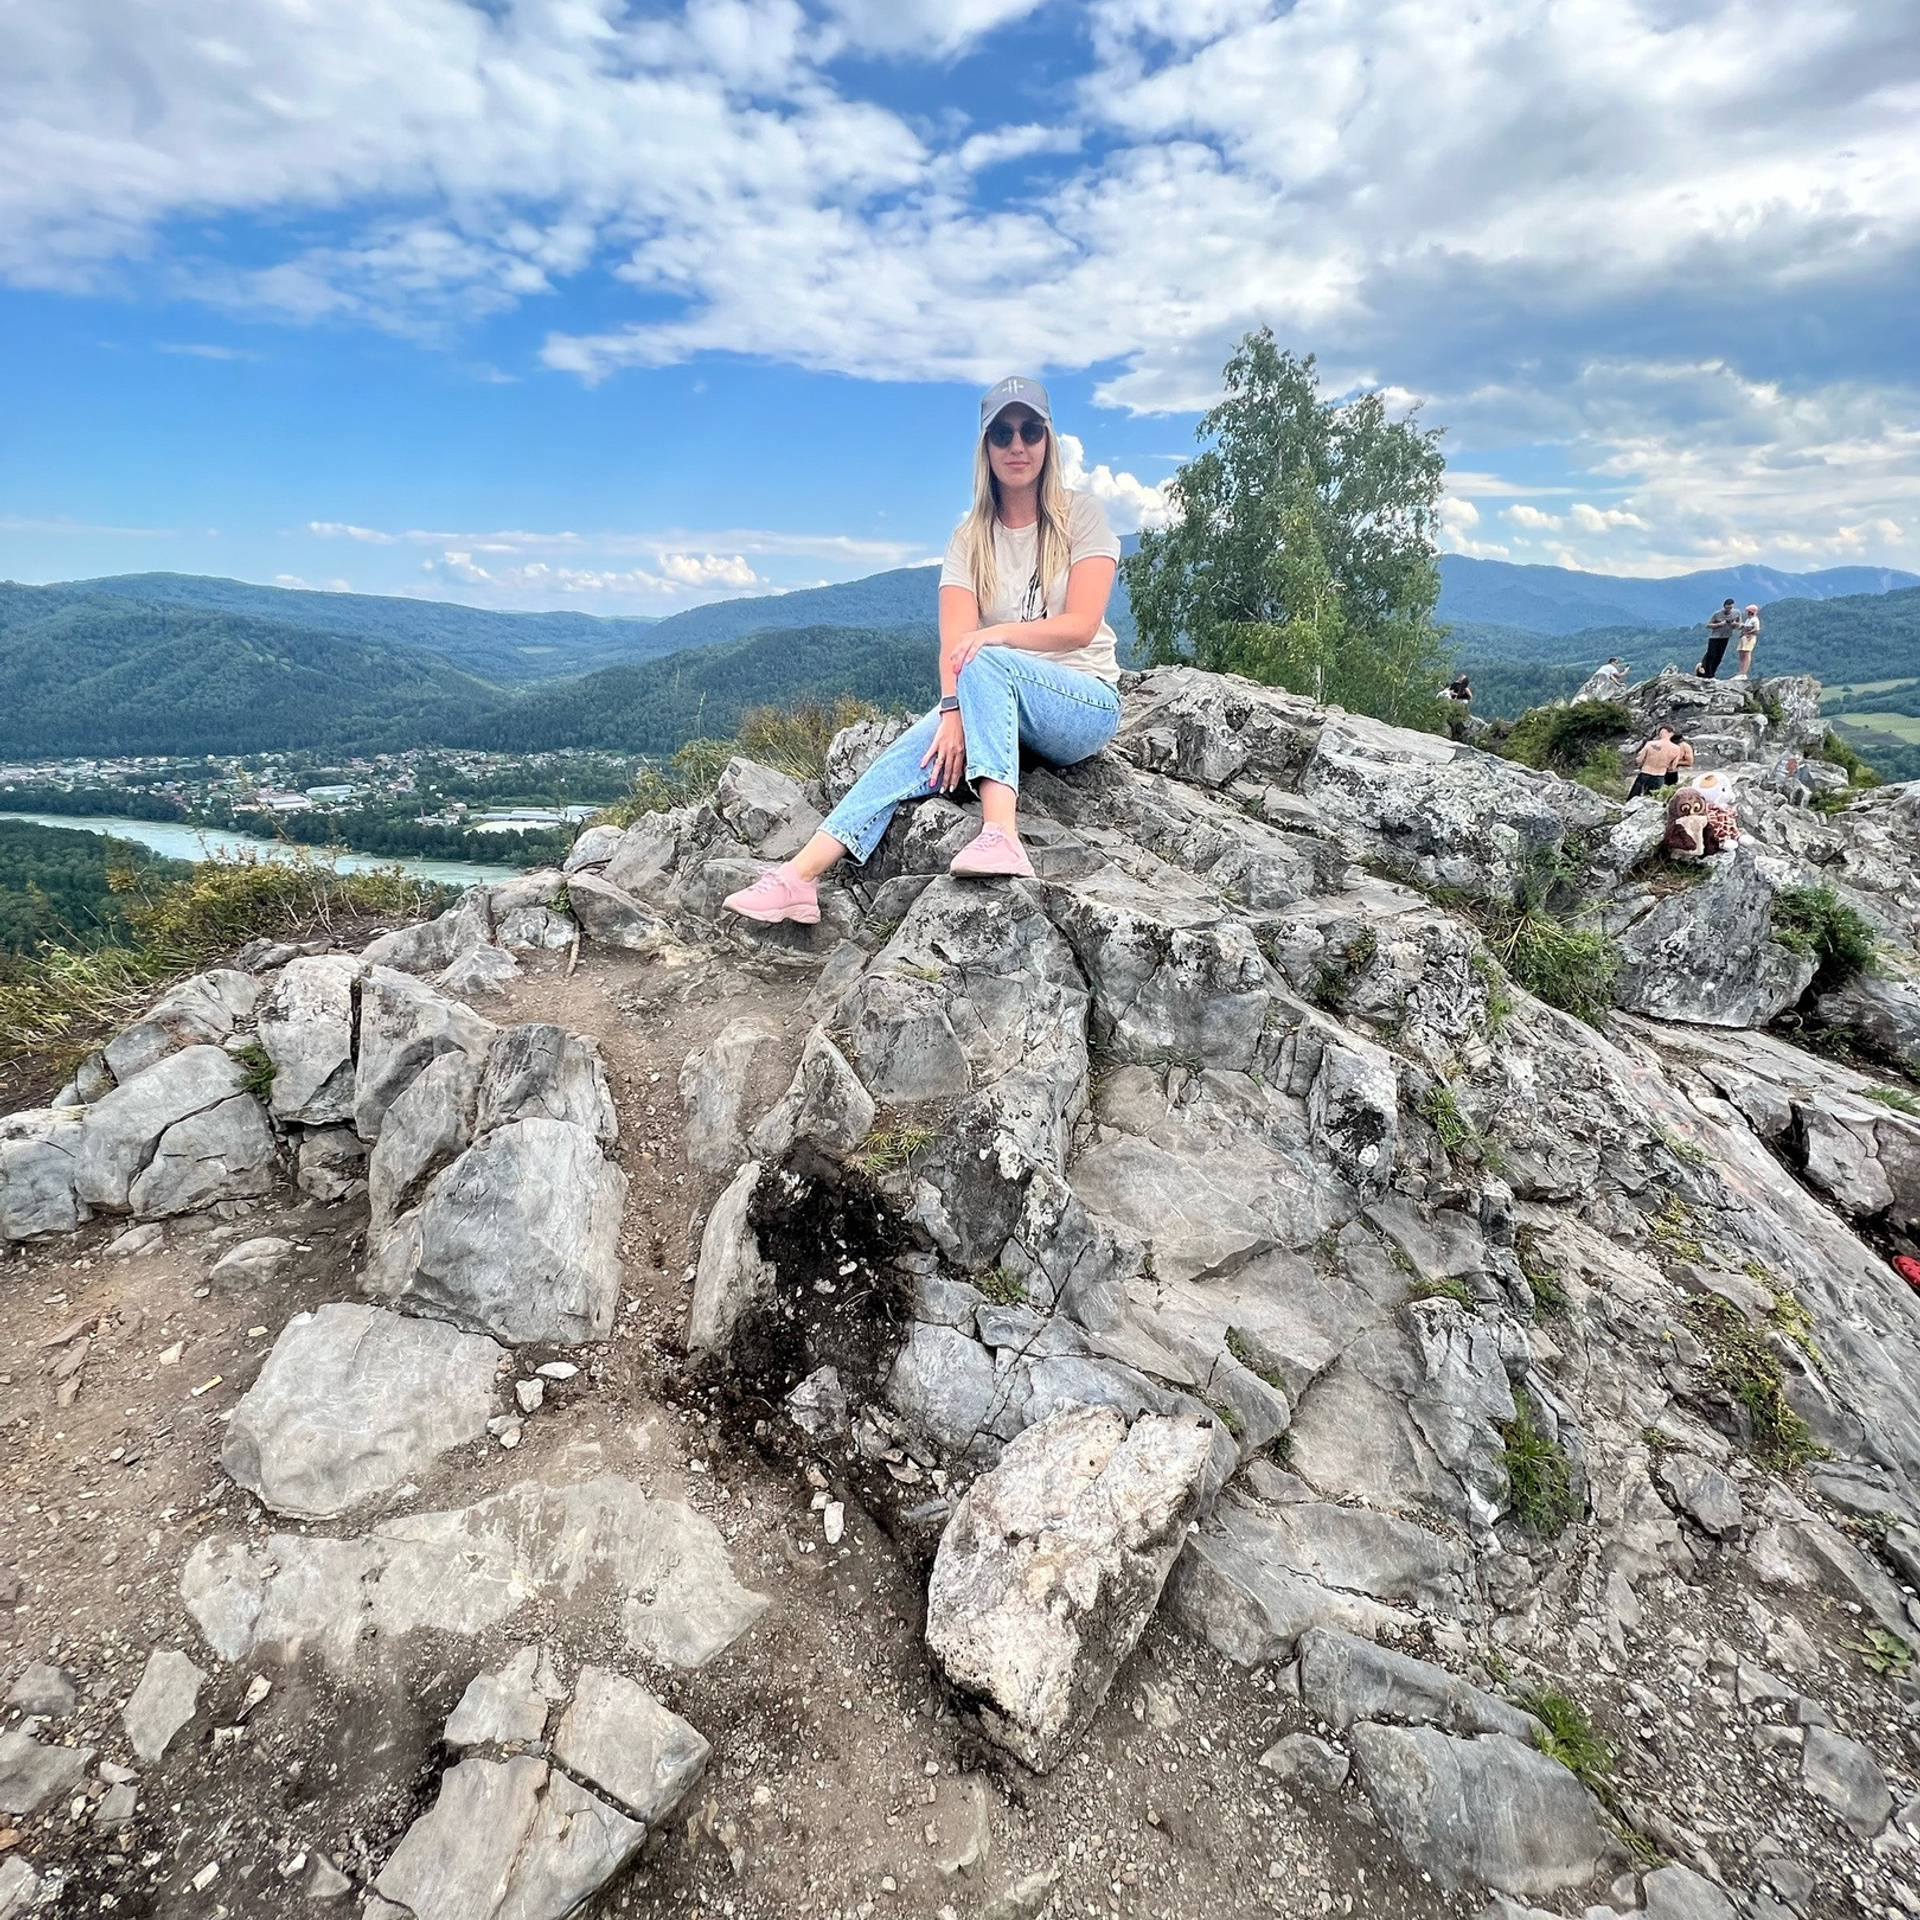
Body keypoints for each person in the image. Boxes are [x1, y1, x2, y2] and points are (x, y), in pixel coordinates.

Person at [721, 376, 1123, 924]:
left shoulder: (1082, 515)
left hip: (1082, 704)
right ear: (985, 448)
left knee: (982, 655)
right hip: (998, 700)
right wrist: (954, 712)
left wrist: (990, 640)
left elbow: (1080, 626)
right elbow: (952, 643)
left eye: (1030, 430)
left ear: (1048, 440)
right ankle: (799, 877)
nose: (1017, 445)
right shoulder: (967, 540)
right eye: (1002, 433)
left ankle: (1000, 835)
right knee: (919, 744)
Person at [1628, 726, 1677, 798]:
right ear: (1672, 734)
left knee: (1634, 798)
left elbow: (1639, 760)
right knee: (1653, 799)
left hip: (1645, 774)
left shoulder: (1650, 744)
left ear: (1661, 733)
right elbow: (1672, 767)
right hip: (1659, 777)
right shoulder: (1676, 749)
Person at [1697, 598, 1739, 678]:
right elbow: (1708, 625)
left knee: (1719, 657)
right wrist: (1719, 625)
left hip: (1725, 637)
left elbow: (1739, 624)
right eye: (1727, 608)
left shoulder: (1736, 613)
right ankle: (1707, 673)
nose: (1728, 610)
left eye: (1730, 608)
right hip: (1715, 637)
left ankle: (1712, 673)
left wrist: (1734, 624)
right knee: (1711, 655)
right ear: (1724, 607)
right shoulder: (1717, 614)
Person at [1736, 604, 1761, 678]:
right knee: (1742, 654)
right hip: (1744, 638)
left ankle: (1744, 672)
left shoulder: (1754, 619)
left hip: (1749, 638)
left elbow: (1756, 629)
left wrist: (1748, 633)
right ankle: (1741, 671)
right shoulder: (1748, 620)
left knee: (1746, 654)